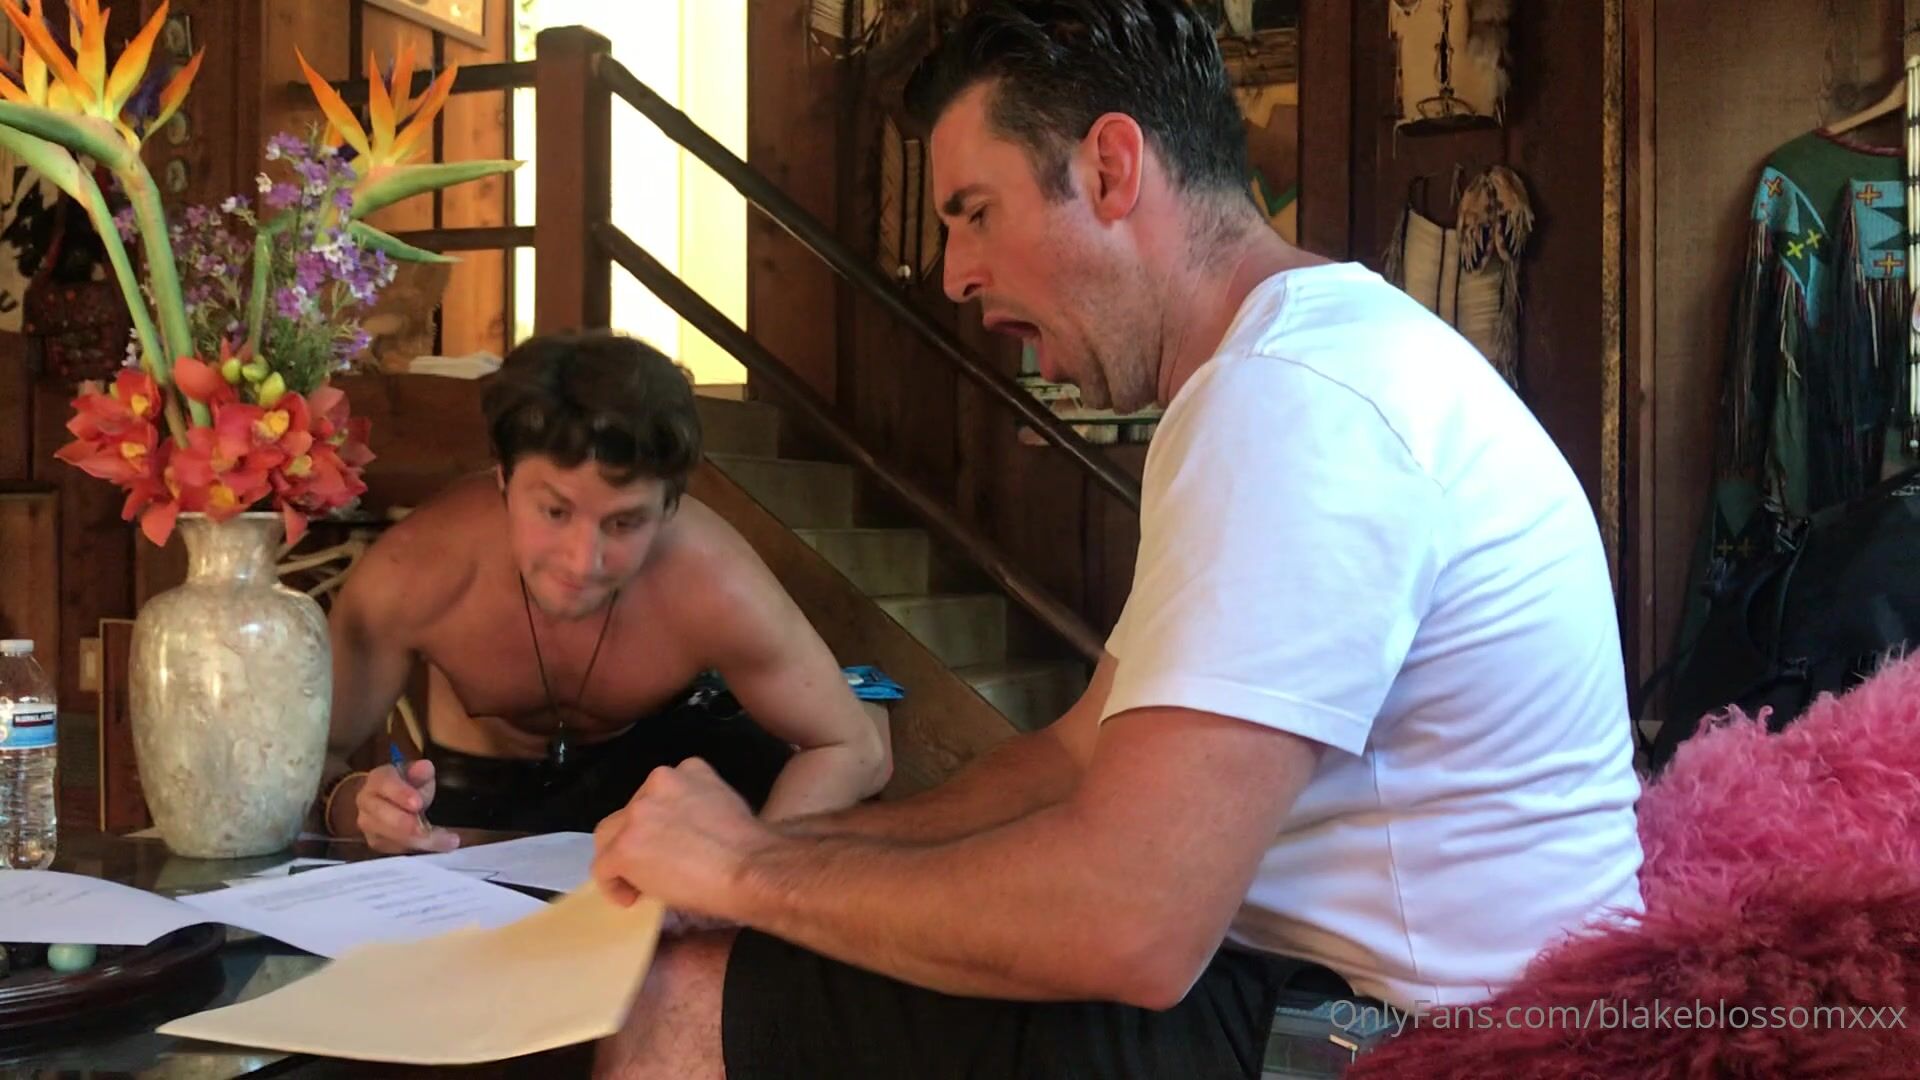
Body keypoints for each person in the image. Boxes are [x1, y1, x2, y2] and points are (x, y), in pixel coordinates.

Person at [586, 2, 1646, 1076]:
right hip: (1339, 996)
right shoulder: (1303, 364)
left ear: (1109, 170)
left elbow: (1130, 922)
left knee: (687, 993)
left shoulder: (1295, 402)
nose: (954, 273)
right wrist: (778, 850)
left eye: (975, 212)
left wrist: (745, 877)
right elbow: (1073, 756)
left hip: (1432, 1040)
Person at [317, 330, 892, 852]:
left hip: (667, 774)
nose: (582, 560)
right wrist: (358, 805)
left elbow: (854, 748)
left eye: (624, 523)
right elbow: (313, 765)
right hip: (486, 793)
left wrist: (746, 877)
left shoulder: (713, 579)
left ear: (668, 508)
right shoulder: (414, 572)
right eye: (554, 511)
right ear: (504, 480)